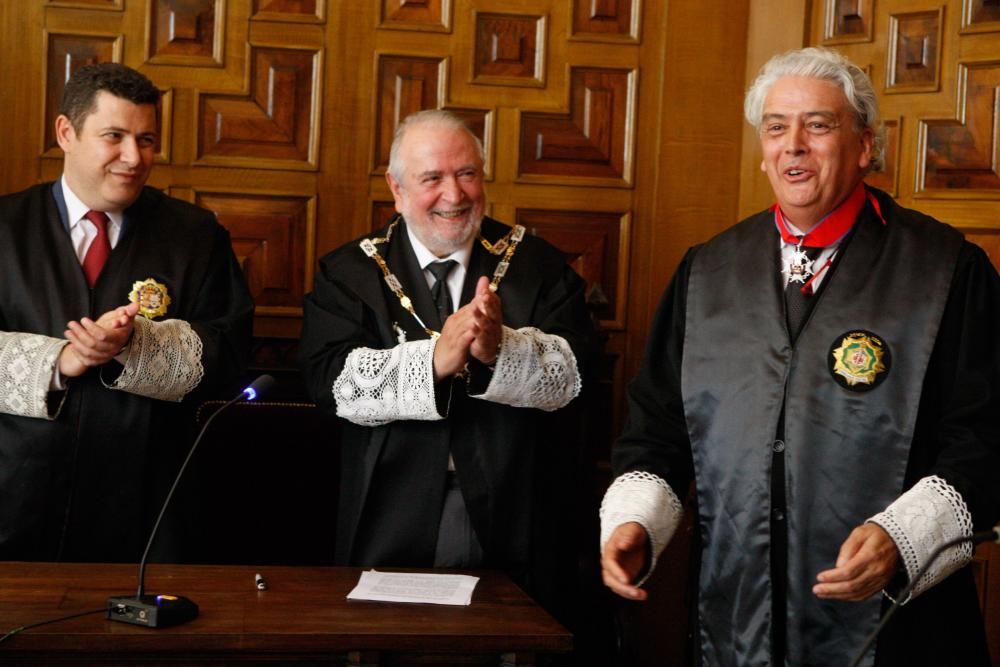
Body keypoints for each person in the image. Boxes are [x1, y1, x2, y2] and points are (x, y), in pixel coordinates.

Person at [599, 47, 1000, 666]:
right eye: (777, 127)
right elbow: (658, 431)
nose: (794, 146)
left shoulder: (947, 271)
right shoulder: (707, 274)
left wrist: (901, 538)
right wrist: (635, 526)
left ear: (865, 146)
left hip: (895, 629)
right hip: (736, 615)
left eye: (818, 125)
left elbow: (985, 439)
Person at [300, 110, 597, 618]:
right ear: (396, 188)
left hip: (513, 504)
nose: (454, 196)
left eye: (467, 174)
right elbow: (329, 382)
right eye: (432, 178)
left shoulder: (538, 266)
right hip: (389, 506)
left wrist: (497, 352)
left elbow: (573, 376)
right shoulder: (349, 272)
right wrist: (435, 359)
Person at [0, 63, 253, 563]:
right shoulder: (4, 227)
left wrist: (135, 347)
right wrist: (60, 361)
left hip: (149, 507)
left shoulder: (196, 236)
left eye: (147, 140)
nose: (134, 158)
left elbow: (229, 356)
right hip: (16, 497)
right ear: (66, 133)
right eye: (114, 136)